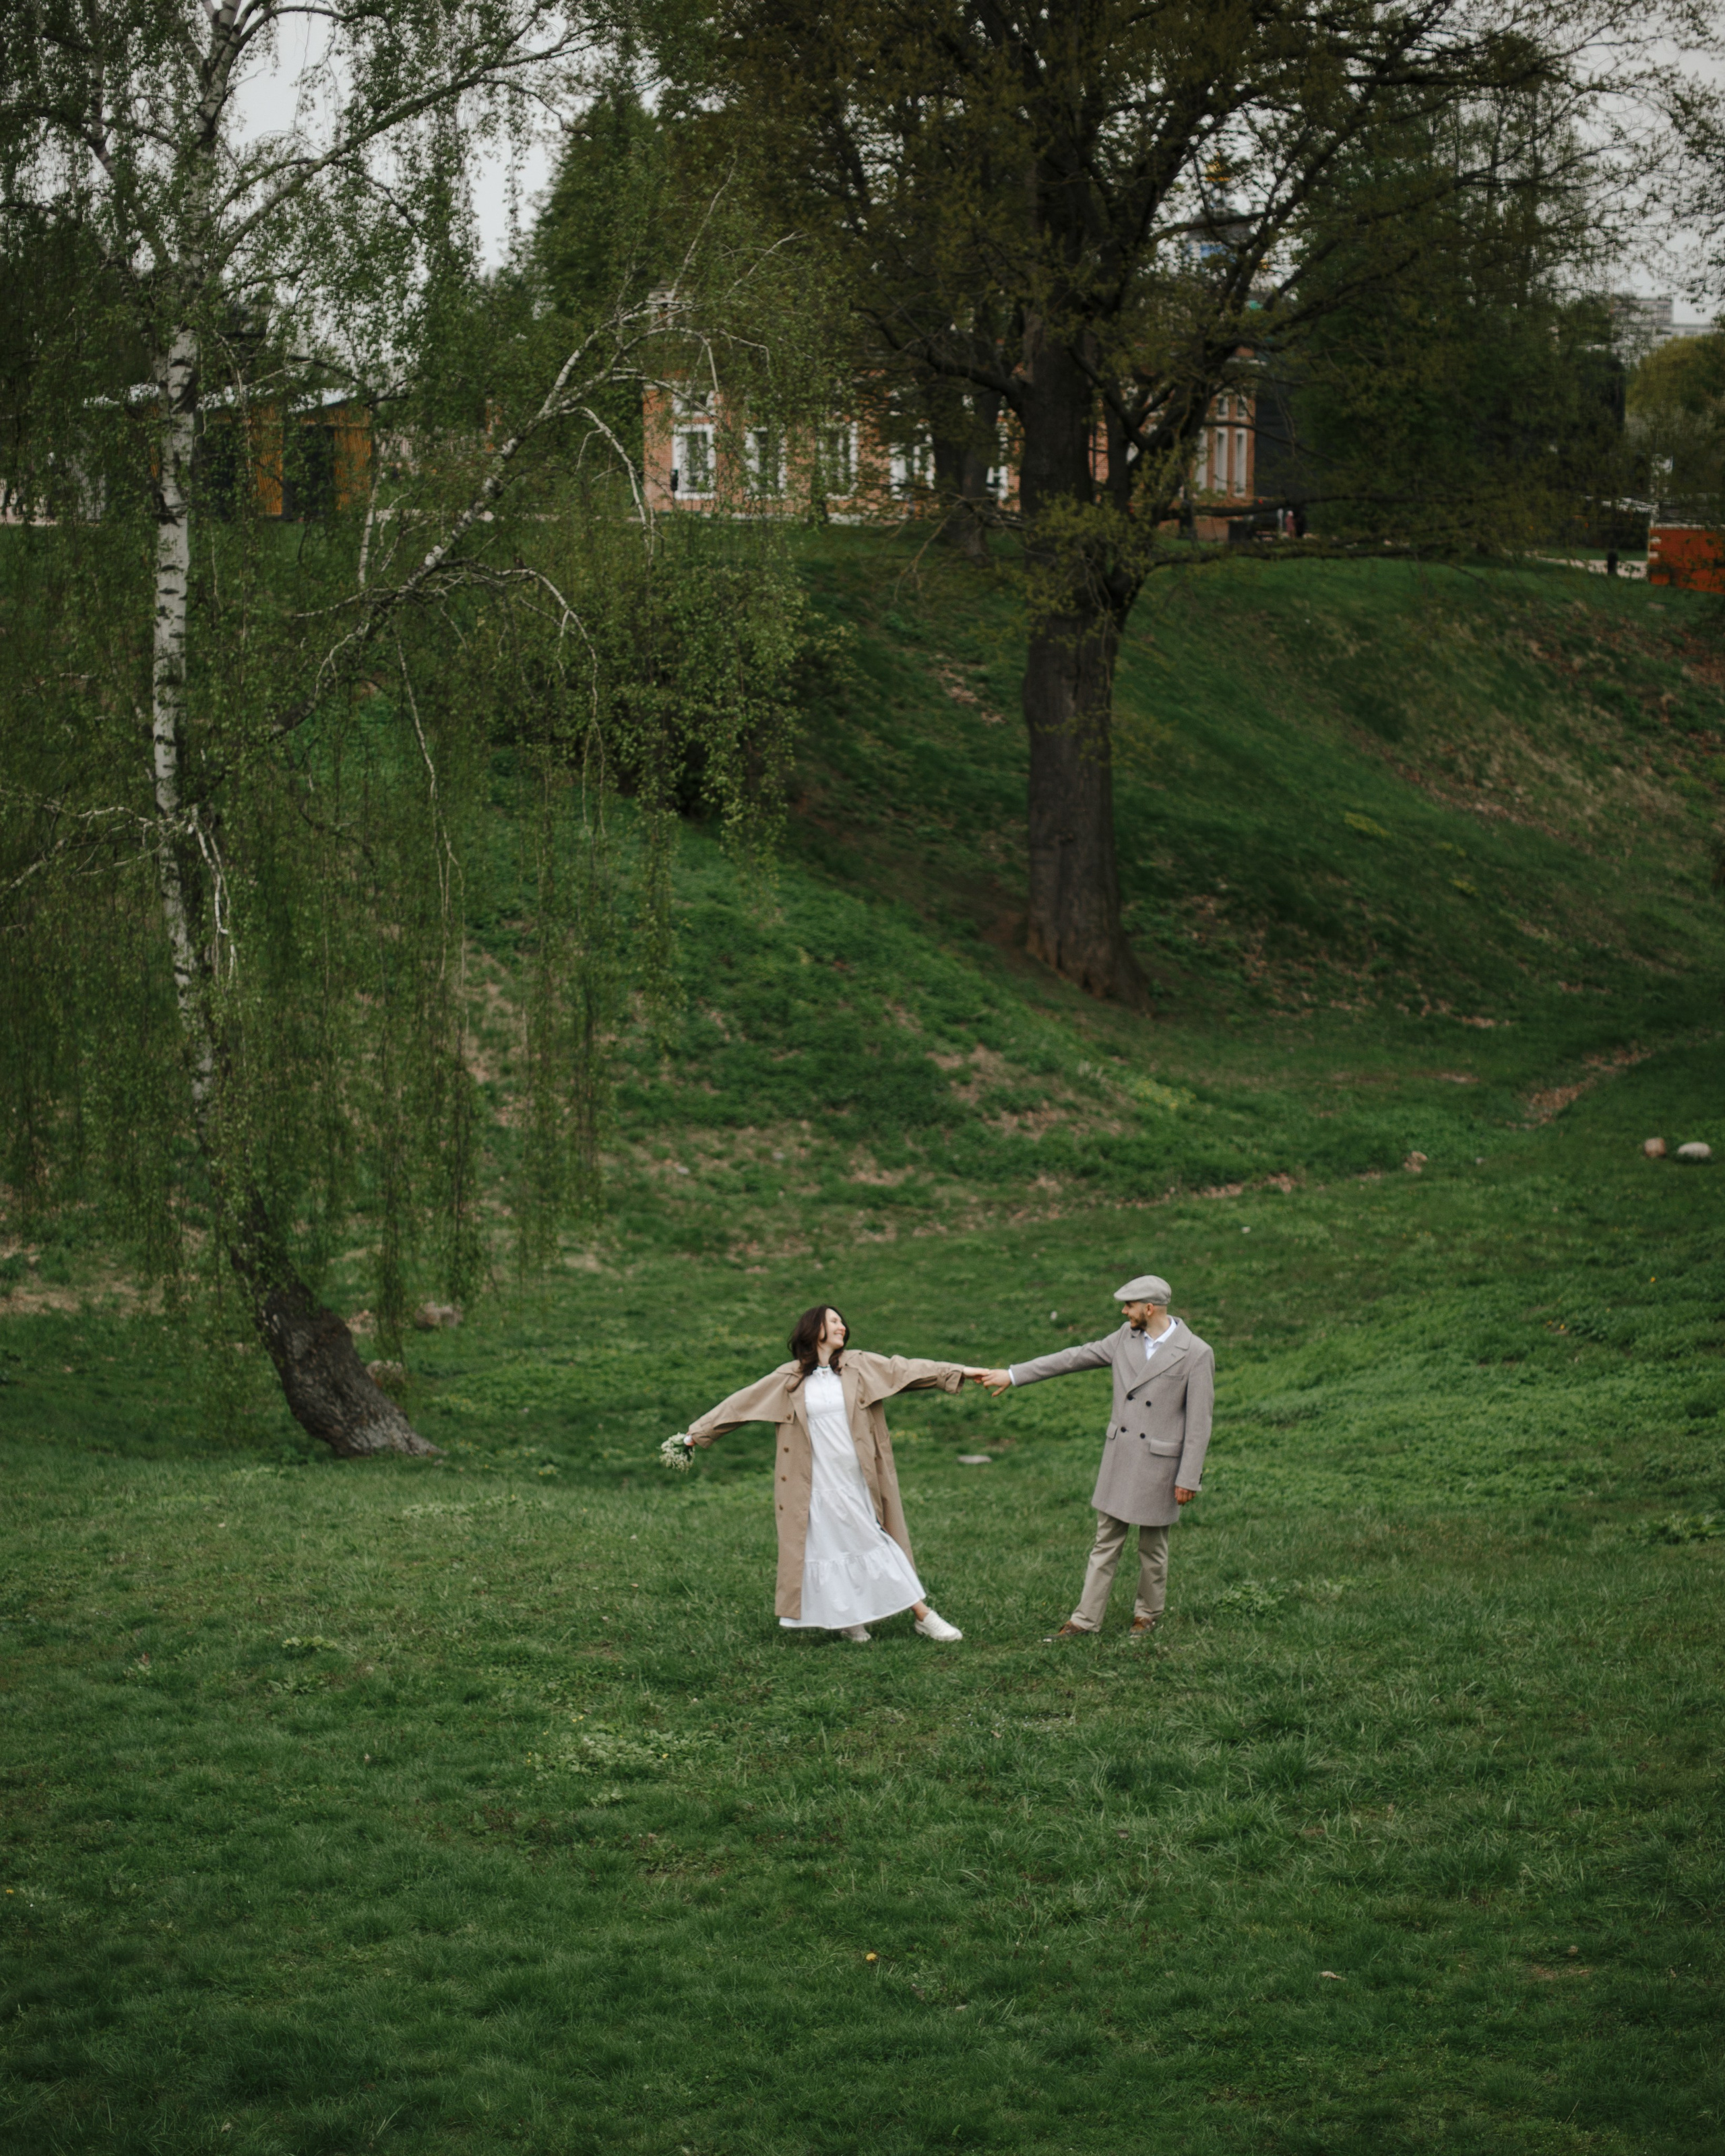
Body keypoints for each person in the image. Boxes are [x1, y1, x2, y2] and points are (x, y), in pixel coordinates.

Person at [679, 1306, 974, 1643]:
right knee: (834, 1549)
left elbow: (905, 1370)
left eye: (842, 1322)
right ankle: (853, 1620)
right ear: (813, 1328)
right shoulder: (788, 1379)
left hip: (856, 1480)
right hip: (816, 1486)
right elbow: (741, 1405)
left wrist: (961, 1372)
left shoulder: (858, 1366)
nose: (842, 1327)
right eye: (833, 1321)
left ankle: (923, 1616)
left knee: (875, 1542)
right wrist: (694, 1435)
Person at [976, 1274, 1213, 1638]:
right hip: (1122, 1457)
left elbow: (1199, 1423)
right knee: (1105, 1542)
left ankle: (1146, 1615)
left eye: (1130, 1305)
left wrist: (1188, 1477)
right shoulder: (1123, 1338)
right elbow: (1073, 1358)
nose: (1123, 1311)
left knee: (1153, 1548)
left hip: (1160, 1466)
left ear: (1149, 1308)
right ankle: (1084, 1621)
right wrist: (1013, 1374)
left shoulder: (1196, 1352)